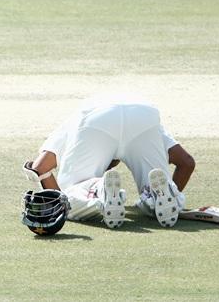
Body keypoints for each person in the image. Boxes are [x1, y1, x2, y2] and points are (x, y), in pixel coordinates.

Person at [23, 92, 195, 228]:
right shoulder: (145, 116)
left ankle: (98, 191)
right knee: (156, 198)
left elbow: (40, 167)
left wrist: (61, 203)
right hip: (143, 112)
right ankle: (160, 197)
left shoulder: (76, 117)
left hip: (94, 116)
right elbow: (186, 162)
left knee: (70, 196)